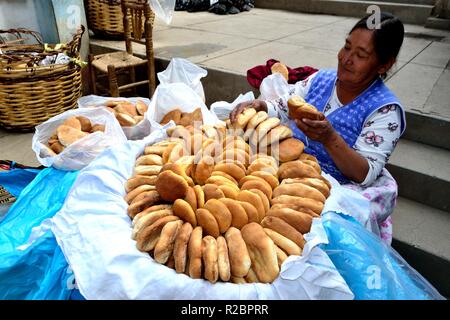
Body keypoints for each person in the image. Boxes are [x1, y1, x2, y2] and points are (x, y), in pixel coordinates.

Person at [230, 12, 406, 244]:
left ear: (384, 64)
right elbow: (284, 106)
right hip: (287, 170)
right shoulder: (320, 79)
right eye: (346, 47)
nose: (346, 59)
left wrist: (330, 138)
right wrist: (260, 104)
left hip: (329, 190)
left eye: (361, 55)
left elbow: (364, 173)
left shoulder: (385, 110)